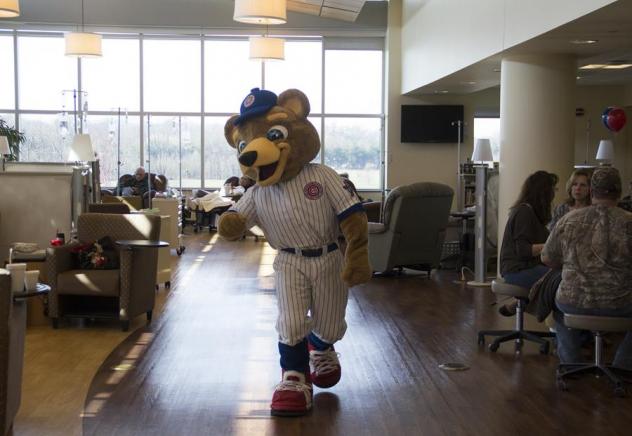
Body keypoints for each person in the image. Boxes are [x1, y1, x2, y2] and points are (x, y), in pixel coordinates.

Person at [542, 167, 632, 369]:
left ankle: (571, 363)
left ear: (592, 191)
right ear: (618, 192)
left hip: (574, 301)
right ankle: (623, 366)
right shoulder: (629, 222)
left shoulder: (569, 219)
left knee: (559, 306)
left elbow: (547, 257)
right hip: (621, 303)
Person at [497, 170, 558, 316]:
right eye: (553, 189)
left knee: (560, 277)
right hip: (517, 270)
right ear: (544, 192)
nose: (554, 193)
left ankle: (524, 303)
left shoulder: (531, 214)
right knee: (561, 282)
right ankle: (560, 330)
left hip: (525, 267)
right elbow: (523, 251)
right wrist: (550, 245)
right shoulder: (524, 213)